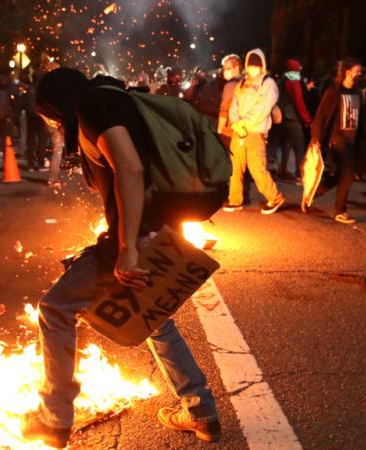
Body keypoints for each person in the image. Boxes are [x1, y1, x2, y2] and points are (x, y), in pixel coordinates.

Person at [27, 68, 221, 449]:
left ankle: (54, 419)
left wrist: (128, 247)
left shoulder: (94, 107)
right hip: (160, 230)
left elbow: (129, 168)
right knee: (156, 321)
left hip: (141, 238)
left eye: (48, 115)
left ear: (57, 104)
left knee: (54, 309)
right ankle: (200, 410)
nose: (51, 124)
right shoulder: (114, 98)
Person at [309, 57, 366, 224]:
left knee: (341, 175)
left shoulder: (358, 93)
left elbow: (364, 116)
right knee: (348, 174)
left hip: (352, 140)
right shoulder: (333, 92)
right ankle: (341, 211)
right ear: (347, 72)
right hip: (336, 139)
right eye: (357, 71)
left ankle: (316, 190)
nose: (359, 74)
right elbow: (320, 116)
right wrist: (316, 138)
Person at [223, 49, 285, 214]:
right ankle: (235, 200)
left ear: (262, 65)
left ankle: (275, 197)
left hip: (256, 132)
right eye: (250, 65)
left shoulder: (268, 83)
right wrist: (236, 124)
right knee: (235, 168)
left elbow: (262, 108)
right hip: (240, 132)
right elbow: (233, 105)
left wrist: (243, 123)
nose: (252, 68)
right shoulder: (242, 83)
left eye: (256, 65)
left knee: (257, 168)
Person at [276, 59, 312, 181]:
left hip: (281, 118)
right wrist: (307, 119)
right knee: (299, 147)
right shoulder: (293, 82)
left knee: (286, 145)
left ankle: (283, 170)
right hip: (292, 118)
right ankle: (300, 172)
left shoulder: (281, 80)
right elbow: (298, 102)